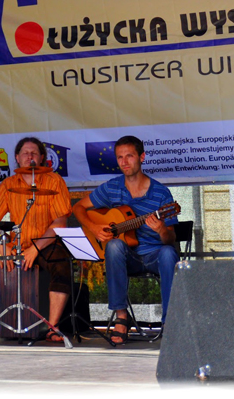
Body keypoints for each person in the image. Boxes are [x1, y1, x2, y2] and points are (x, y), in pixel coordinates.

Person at [0, 137, 72, 343]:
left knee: (62, 264)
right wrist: (1, 245)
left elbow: (60, 223)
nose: (30, 156)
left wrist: (35, 249)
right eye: (25, 153)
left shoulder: (55, 181)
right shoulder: (8, 184)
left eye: (34, 153)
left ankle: (53, 327)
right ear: (17, 158)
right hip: (14, 245)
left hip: (45, 244)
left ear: (42, 158)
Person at [72, 135, 179, 345]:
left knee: (168, 253)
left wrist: (161, 229)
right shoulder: (112, 187)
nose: (124, 162)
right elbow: (78, 207)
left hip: (154, 256)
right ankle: (122, 316)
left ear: (142, 157)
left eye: (129, 156)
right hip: (126, 257)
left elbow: (170, 239)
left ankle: (170, 321)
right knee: (113, 245)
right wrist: (94, 227)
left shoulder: (161, 193)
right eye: (120, 157)